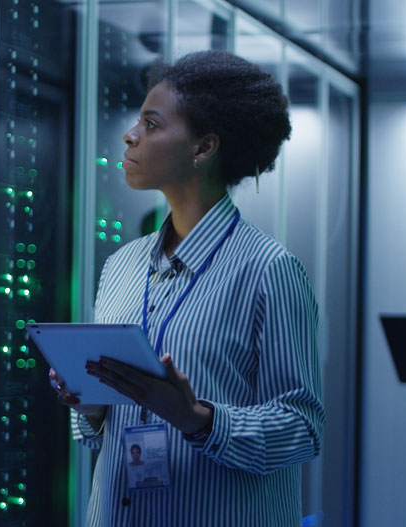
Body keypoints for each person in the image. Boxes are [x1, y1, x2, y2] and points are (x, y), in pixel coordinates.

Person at [49, 49, 324, 526]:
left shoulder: (269, 270)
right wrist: (91, 406)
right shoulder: (121, 266)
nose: (130, 135)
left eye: (151, 124)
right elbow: (98, 431)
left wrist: (197, 418)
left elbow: (302, 428)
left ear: (203, 148)